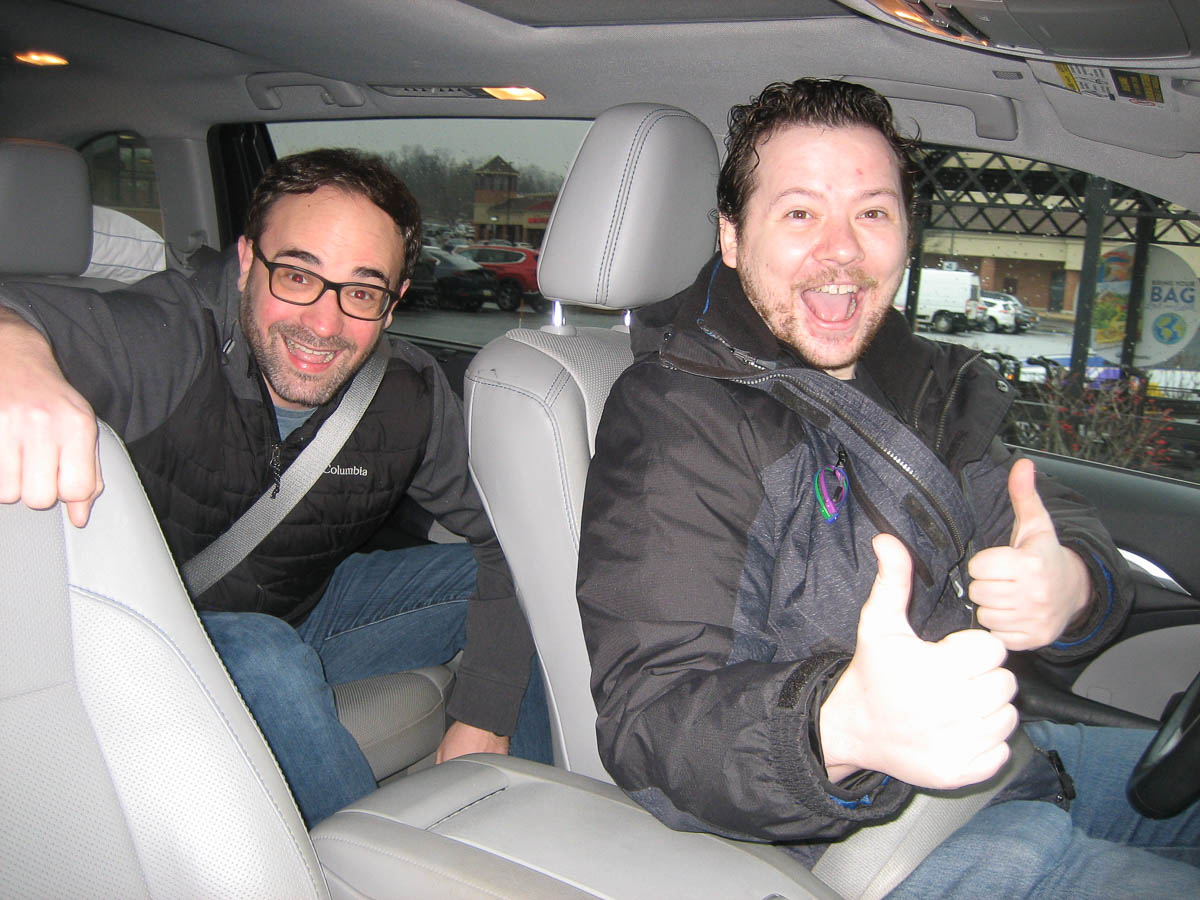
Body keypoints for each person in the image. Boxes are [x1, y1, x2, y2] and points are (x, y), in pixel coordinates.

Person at [576, 79, 1200, 896]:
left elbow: (1031, 512)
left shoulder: (917, 377)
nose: (841, 250)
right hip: (864, 837)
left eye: (872, 212)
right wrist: (841, 725)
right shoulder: (679, 417)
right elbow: (652, 718)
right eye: (800, 213)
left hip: (1005, 755)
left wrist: (1073, 583)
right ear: (731, 237)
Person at [0, 148, 549, 826]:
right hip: (134, 638)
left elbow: (505, 543)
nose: (323, 324)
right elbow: (27, 316)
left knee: (536, 580)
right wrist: (16, 353)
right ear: (244, 262)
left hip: (304, 610)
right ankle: (360, 869)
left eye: (361, 292)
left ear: (393, 303)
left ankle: (525, 827)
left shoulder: (406, 396)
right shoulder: (166, 339)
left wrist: (484, 714)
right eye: (297, 275)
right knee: (264, 654)